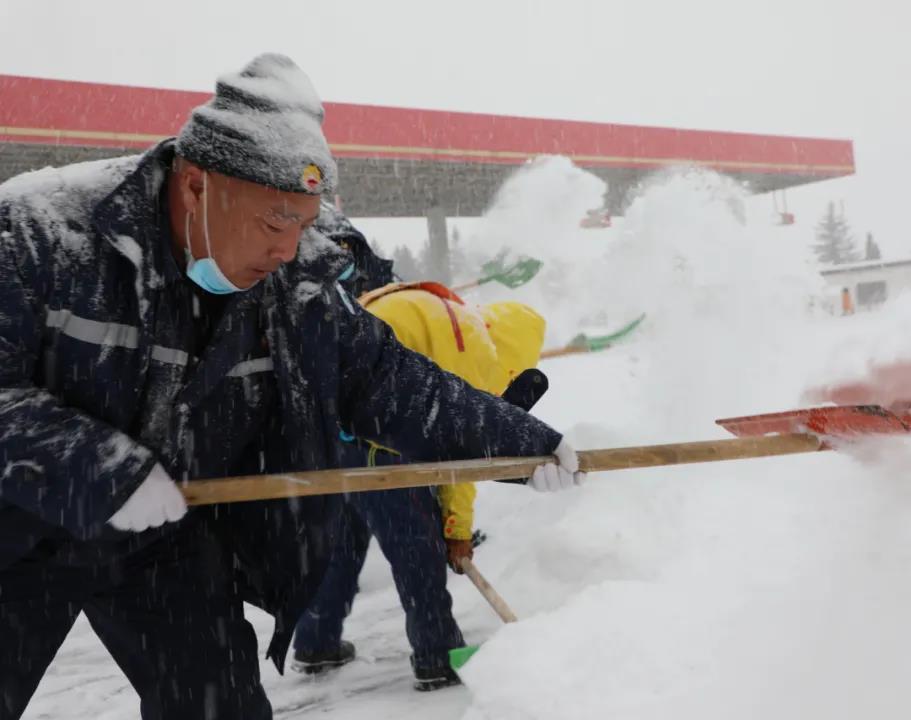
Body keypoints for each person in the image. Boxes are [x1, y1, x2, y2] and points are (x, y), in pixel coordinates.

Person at [0, 53, 584, 720]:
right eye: (275, 221)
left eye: (304, 226)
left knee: (220, 704)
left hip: (161, 526)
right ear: (197, 185)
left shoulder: (294, 283)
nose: (288, 248)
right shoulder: (41, 232)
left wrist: (519, 445)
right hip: (17, 520)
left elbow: (386, 381)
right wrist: (92, 468)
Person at [292, 280, 547, 690]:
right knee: (417, 547)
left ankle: (316, 641)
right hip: (380, 441)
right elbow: (461, 459)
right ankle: (438, 655)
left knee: (342, 543)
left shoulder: (437, 311)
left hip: (331, 433)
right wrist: (455, 531)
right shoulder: (474, 352)